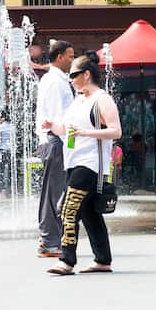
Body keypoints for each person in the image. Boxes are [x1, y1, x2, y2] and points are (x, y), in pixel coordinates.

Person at [44, 53, 122, 275]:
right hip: (74, 161)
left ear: (86, 75)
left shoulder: (102, 99)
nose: (70, 79)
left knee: (68, 210)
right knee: (89, 212)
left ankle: (66, 260)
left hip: (90, 165)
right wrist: (53, 126)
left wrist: (87, 132)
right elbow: (67, 129)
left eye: (74, 75)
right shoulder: (79, 99)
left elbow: (116, 131)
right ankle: (103, 260)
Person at [35, 40, 76, 256]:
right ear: (59, 57)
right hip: (55, 141)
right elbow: (60, 119)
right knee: (53, 193)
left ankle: (52, 239)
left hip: (57, 141)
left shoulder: (58, 80)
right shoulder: (55, 82)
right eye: (70, 56)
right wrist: (70, 145)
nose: (72, 60)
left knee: (56, 192)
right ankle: (49, 241)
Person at [0, 111, 15, 193]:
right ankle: (10, 189)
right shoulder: (12, 127)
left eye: (0, 117)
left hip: (1, 151)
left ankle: (1, 190)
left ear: (3, 118)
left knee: (0, 171)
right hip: (10, 151)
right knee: (10, 170)